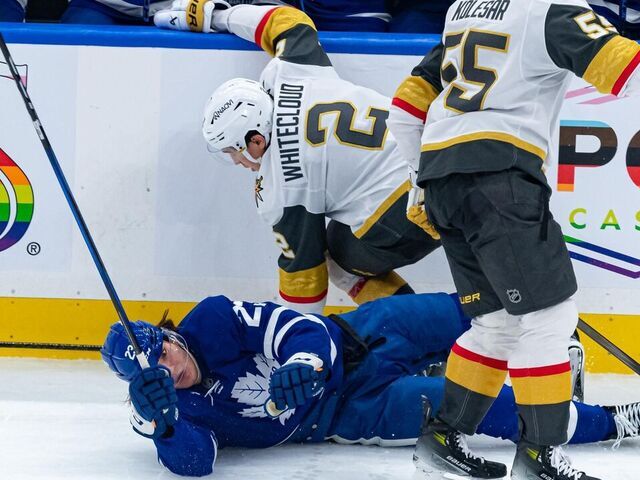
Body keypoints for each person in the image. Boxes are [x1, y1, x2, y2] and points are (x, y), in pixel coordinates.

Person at [386, 1, 640, 479]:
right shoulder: (551, 9)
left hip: (442, 181)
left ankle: (442, 435)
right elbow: (627, 69)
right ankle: (541, 455)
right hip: (500, 178)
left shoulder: (464, 10)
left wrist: (420, 180)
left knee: (497, 323)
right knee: (549, 318)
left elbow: (403, 110)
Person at [101, 292, 640, 477]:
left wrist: (304, 363)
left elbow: (297, 329)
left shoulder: (213, 319)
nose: (170, 369)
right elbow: (195, 463)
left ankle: (546, 342)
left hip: (359, 337)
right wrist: (164, 424)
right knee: (481, 409)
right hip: (352, 413)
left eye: (165, 352)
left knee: (473, 308)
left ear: (168, 335)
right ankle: (615, 422)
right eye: (155, 374)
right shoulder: (161, 411)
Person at [153, 1, 441, 314]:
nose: (236, 161)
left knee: (338, 263)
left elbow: (304, 282)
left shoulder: (279, 188)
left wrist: (296, 336)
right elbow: (287, 20)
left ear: (256, 139)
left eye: (233, 151)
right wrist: (215, 16)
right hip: (444, 154)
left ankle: (417, 333)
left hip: (411, 207)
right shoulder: (289, 73)